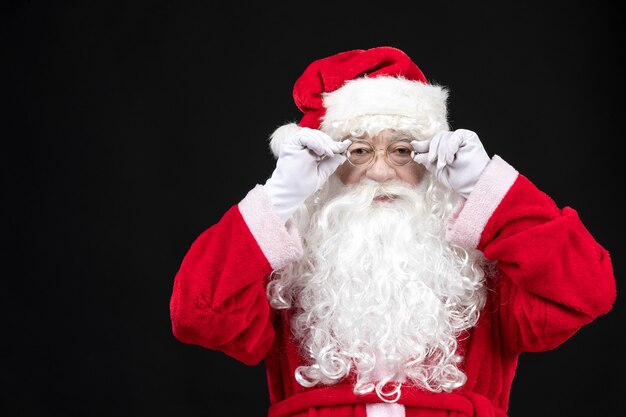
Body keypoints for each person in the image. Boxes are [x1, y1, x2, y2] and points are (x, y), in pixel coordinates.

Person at [169, 46, 616, 417]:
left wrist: (489, 190)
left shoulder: (483, 269)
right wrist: (279, 198)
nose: (381, 171)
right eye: (359, 151)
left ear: (428, 159)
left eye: (401, 150)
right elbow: (197, 313)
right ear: (326, 162)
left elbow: (587, 290)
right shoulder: (290, 272)